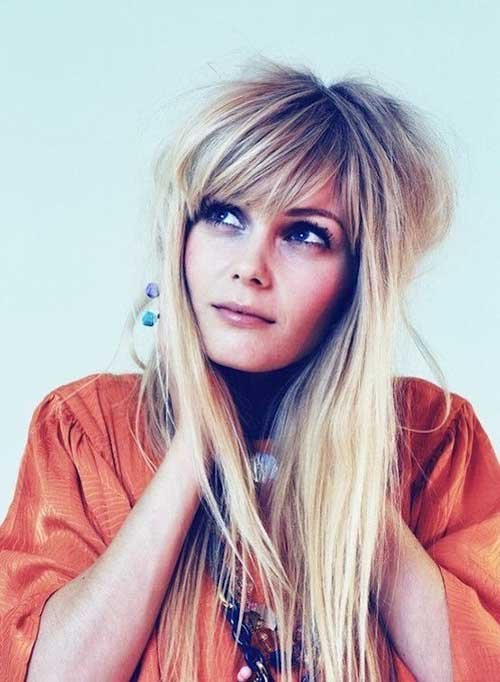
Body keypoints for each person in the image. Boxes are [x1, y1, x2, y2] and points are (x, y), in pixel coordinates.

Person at [1, 57, 499, 682]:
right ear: (180, 236)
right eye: (225, 216)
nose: (249, 267)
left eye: (306, 235)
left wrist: (340, 466)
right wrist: (196, 443)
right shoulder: (85, 430)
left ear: (360, 277)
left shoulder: (436, 441)